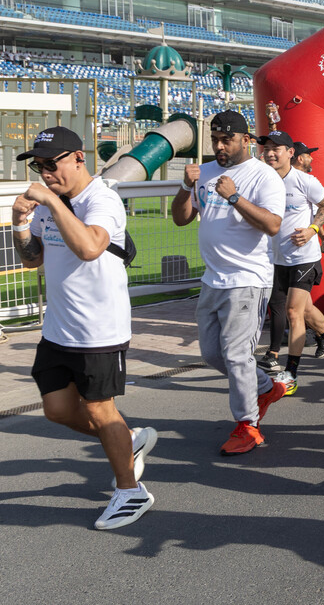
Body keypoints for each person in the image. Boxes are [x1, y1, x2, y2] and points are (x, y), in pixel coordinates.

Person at [11, 127, 156, 530]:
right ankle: (129, 440)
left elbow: (90, 247)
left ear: (78, 158)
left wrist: (51, 203)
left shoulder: (101, 199)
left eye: (50, 163)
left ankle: (130, 492)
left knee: (98, 408)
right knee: (57, 410)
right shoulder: (48, 203)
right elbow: (32, 259)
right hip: (58, 328)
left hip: (99, 330)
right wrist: (20, 223)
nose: (45, 173)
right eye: (38, 166)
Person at [171, 111, 288, 455]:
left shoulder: (263, 176)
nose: (220, 147)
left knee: (237, 356)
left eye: (227, 140)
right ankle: (265, 386)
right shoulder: (205, 172)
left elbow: (273, 225)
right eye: (215, 140)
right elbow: (181, 219)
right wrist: (184, 187)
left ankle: (248, 425)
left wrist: (235, 197)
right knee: (211, 354)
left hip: (248, 278)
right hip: (213, 278)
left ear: (246, 140)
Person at [257, 129, 324, 396]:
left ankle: (291, 374)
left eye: (276, 149)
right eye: (266, 149)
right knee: (306, 311)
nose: (270, 153)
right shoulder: (262, 180)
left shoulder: (304, 181)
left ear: (290, 153)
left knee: (293, 313)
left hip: (304, 257)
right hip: (276, 258)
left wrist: (312, 230)